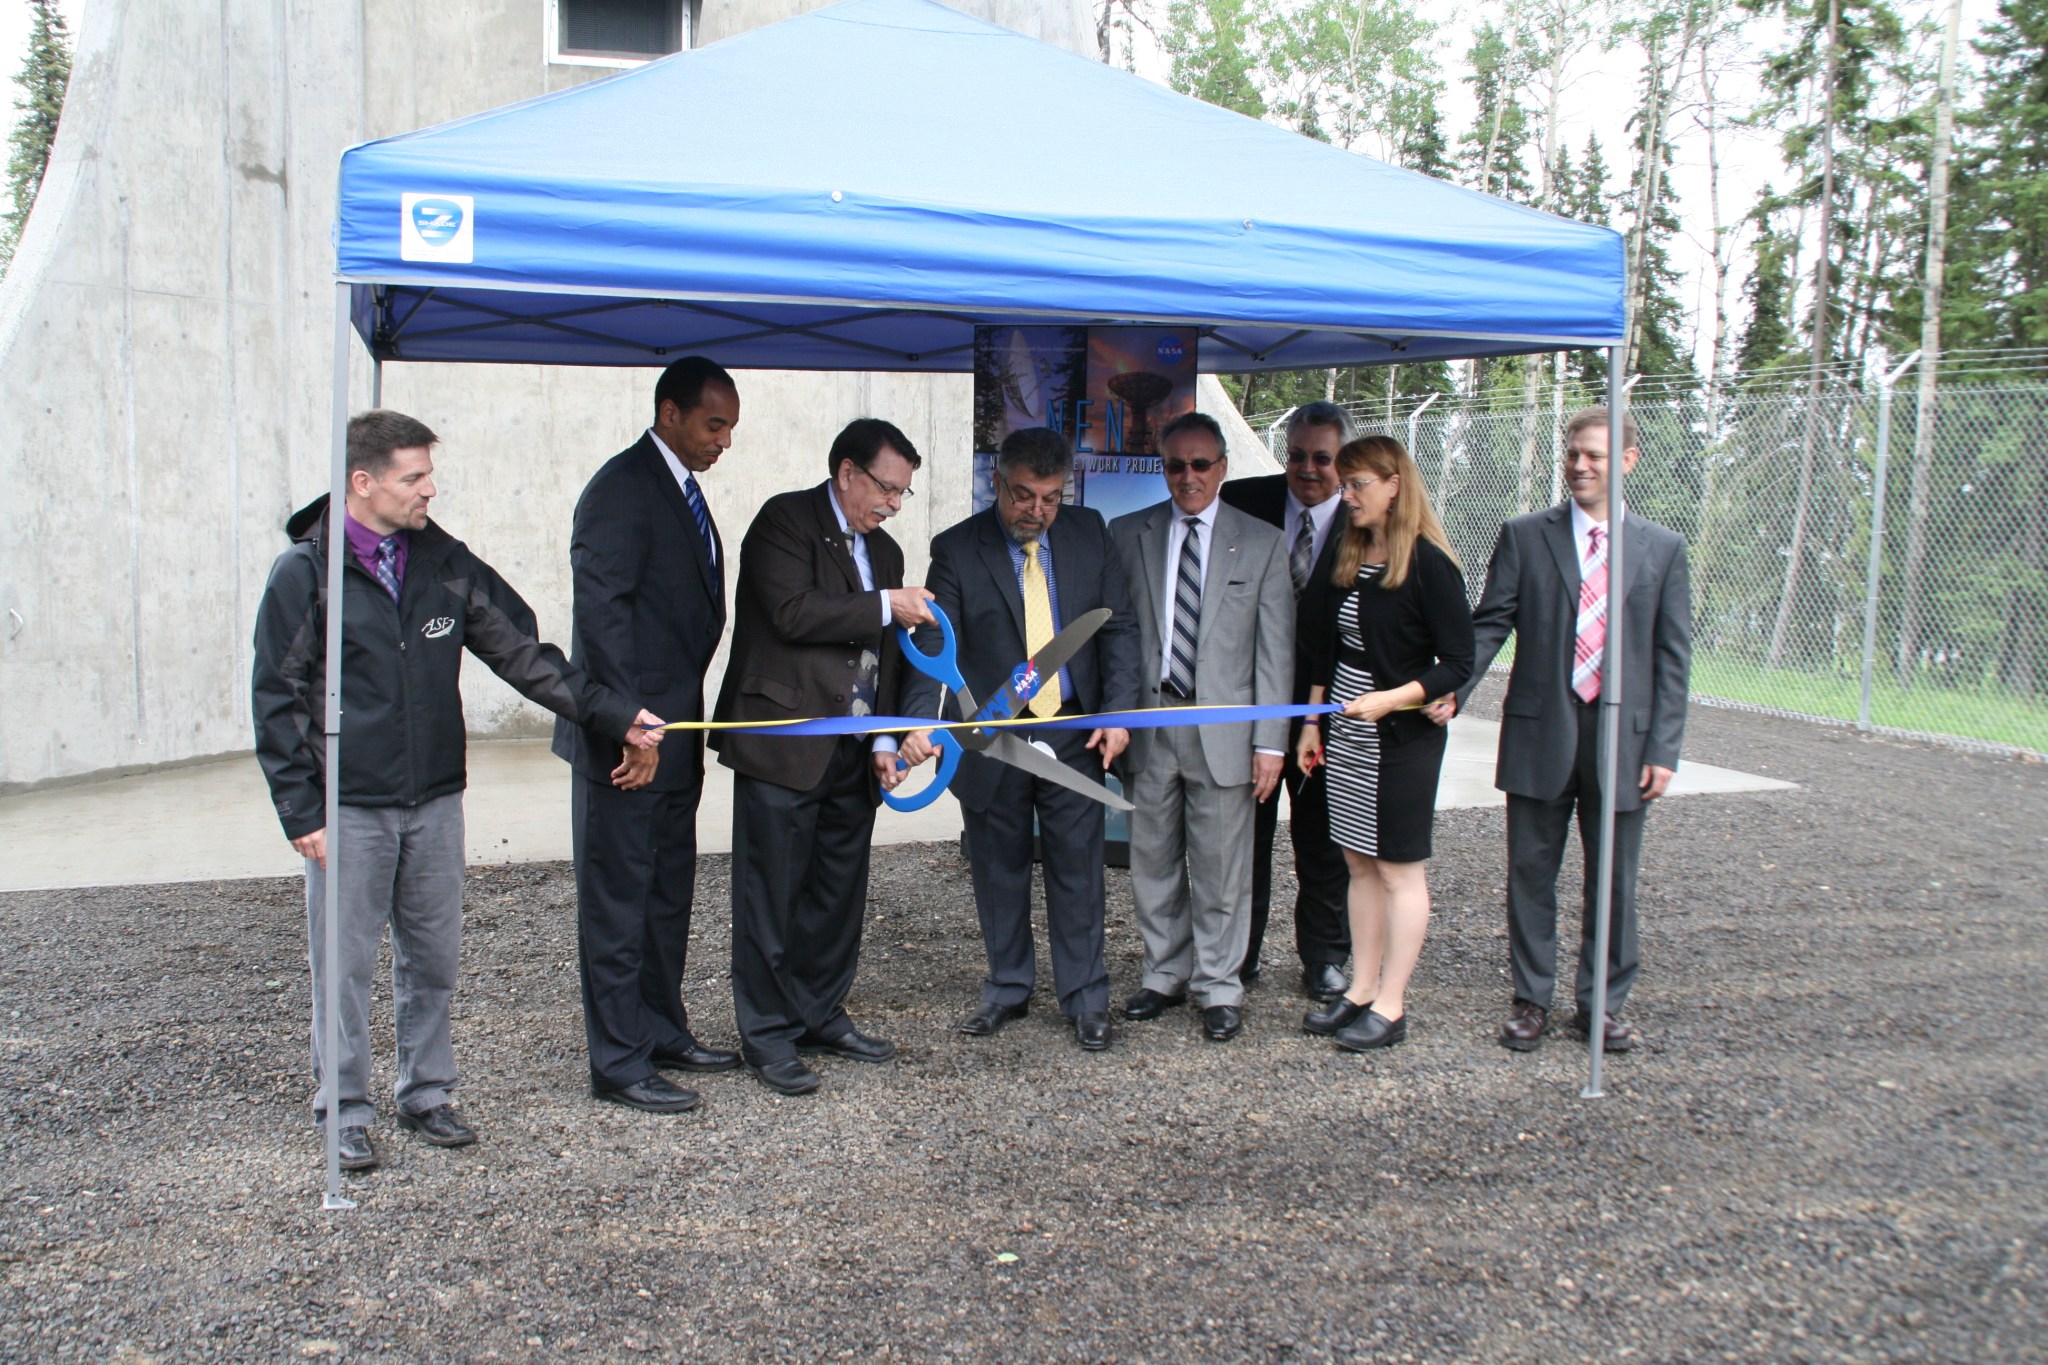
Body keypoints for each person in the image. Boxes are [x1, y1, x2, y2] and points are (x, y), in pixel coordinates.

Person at [253, 410, 662, 1170]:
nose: (429, 490)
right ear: (363, 482)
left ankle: (426, 1093)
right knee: (343, 967)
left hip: (436, 797)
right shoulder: (306, 574)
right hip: (348, 806)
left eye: (429, 475)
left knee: (432, 957)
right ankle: (343, 1108)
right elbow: (276, 699)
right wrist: (300, 809)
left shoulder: (443, 562)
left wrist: (613, 713)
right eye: (414, 477)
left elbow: (525, 655)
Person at [1437, 406, 1692, 1053]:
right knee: (1530, 871)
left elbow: (1672, 656)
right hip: (1539, 729)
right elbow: (1491, 620)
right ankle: (1532, 999)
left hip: (1625, 741)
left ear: (1627, 462)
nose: (1580, 465)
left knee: (1614, 879)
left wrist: (1664, 746)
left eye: (1596, 456)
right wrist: (1453, 687)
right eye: (1573, 452)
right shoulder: (1526, 536)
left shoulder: (1662, 549)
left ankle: (1601, 1005)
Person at [712, 418, 935, 1095]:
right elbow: (791, 612)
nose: (893, 504)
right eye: (886, 488)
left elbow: (888, 656)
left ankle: (819, 1012)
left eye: (902, 494)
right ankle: (768, 1033)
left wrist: (889, 737)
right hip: (782, 743)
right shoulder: (785, 520)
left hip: (852, 749)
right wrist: (883, 604)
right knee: (771, 894)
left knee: (836, 893)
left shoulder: (888, 552)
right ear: (847, 473)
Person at [899, 427, 1141, 1052]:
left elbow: (1120, 633)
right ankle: (1008, 988)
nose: (1038, 512)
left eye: (1052, 499)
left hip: (1073, 731)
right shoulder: (955, 549)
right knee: (998, 866)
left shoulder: (1091, 534)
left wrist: (1117, 714)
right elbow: (931, 642)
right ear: (997, 482)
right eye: (1024, 496)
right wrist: (924, 719)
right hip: (990, 736)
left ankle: (1086, 997)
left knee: (1078, 869)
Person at [553, 357, 742, 1116]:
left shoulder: (681, 490)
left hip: (674, 732)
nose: (724, 441)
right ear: (670, 413)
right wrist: (630, 725)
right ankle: (619, 1059)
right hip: (626, 742)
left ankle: (663, 1030)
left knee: (666, 893)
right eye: (713, 424)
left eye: (730, 426)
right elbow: (602, 618)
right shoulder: (621, 489)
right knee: (619, 900)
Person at [1109, 411, 1294, 1043]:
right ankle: (1164, 974)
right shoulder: (1127, 533)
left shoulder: (1263, 542)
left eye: (1200, 464)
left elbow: (1276, 653)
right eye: (1175, 465)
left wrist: (1271, 741)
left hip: (1226, 732)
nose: (1188, 477)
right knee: (1152, 859)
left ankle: (1220, 984)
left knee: (1221, 867)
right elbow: (1117, 637)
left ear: (1222, 467)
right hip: (1150, 723)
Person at [1295, 436, 1474, 1052]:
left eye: (1358, 485)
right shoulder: (1346, 549)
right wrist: (1313, 721)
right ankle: (1360, 989)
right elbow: (1322, 639)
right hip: (1345, 728)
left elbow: (1459, 661)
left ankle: (1392, 1005)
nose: (1346, 497)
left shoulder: (1429, 564)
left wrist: (1393, 698)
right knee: (1357, 863)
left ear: (1395, 483)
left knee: (1399, 870)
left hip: (1399, 737)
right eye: (1345, 486)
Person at [1219, 399, 1354, 1001]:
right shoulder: (1244, 502)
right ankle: (1237, 957)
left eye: (1322, 459)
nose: (1306, 469)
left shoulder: (1369, 515)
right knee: (1245, 835)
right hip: (1249, 703)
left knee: (1323, 838)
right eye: (1296, 454)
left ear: (1343, 462)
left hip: (1331, 709)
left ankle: (1324, 956)